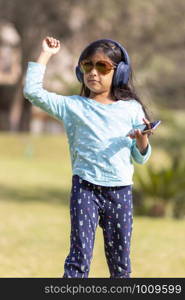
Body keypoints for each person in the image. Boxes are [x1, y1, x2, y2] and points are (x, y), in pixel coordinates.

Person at [23, 36, 153, 278]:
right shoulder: (73, 106)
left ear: (120, 72)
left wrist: (142, 140)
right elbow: (32, 92)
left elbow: (141, 157)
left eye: (102, 66)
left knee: (121, 266)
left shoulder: (131, 108)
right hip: (85, 190)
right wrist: (45, 55)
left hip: (120, 193)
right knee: (78, 261)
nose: (93, 72)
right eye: (87, 66)